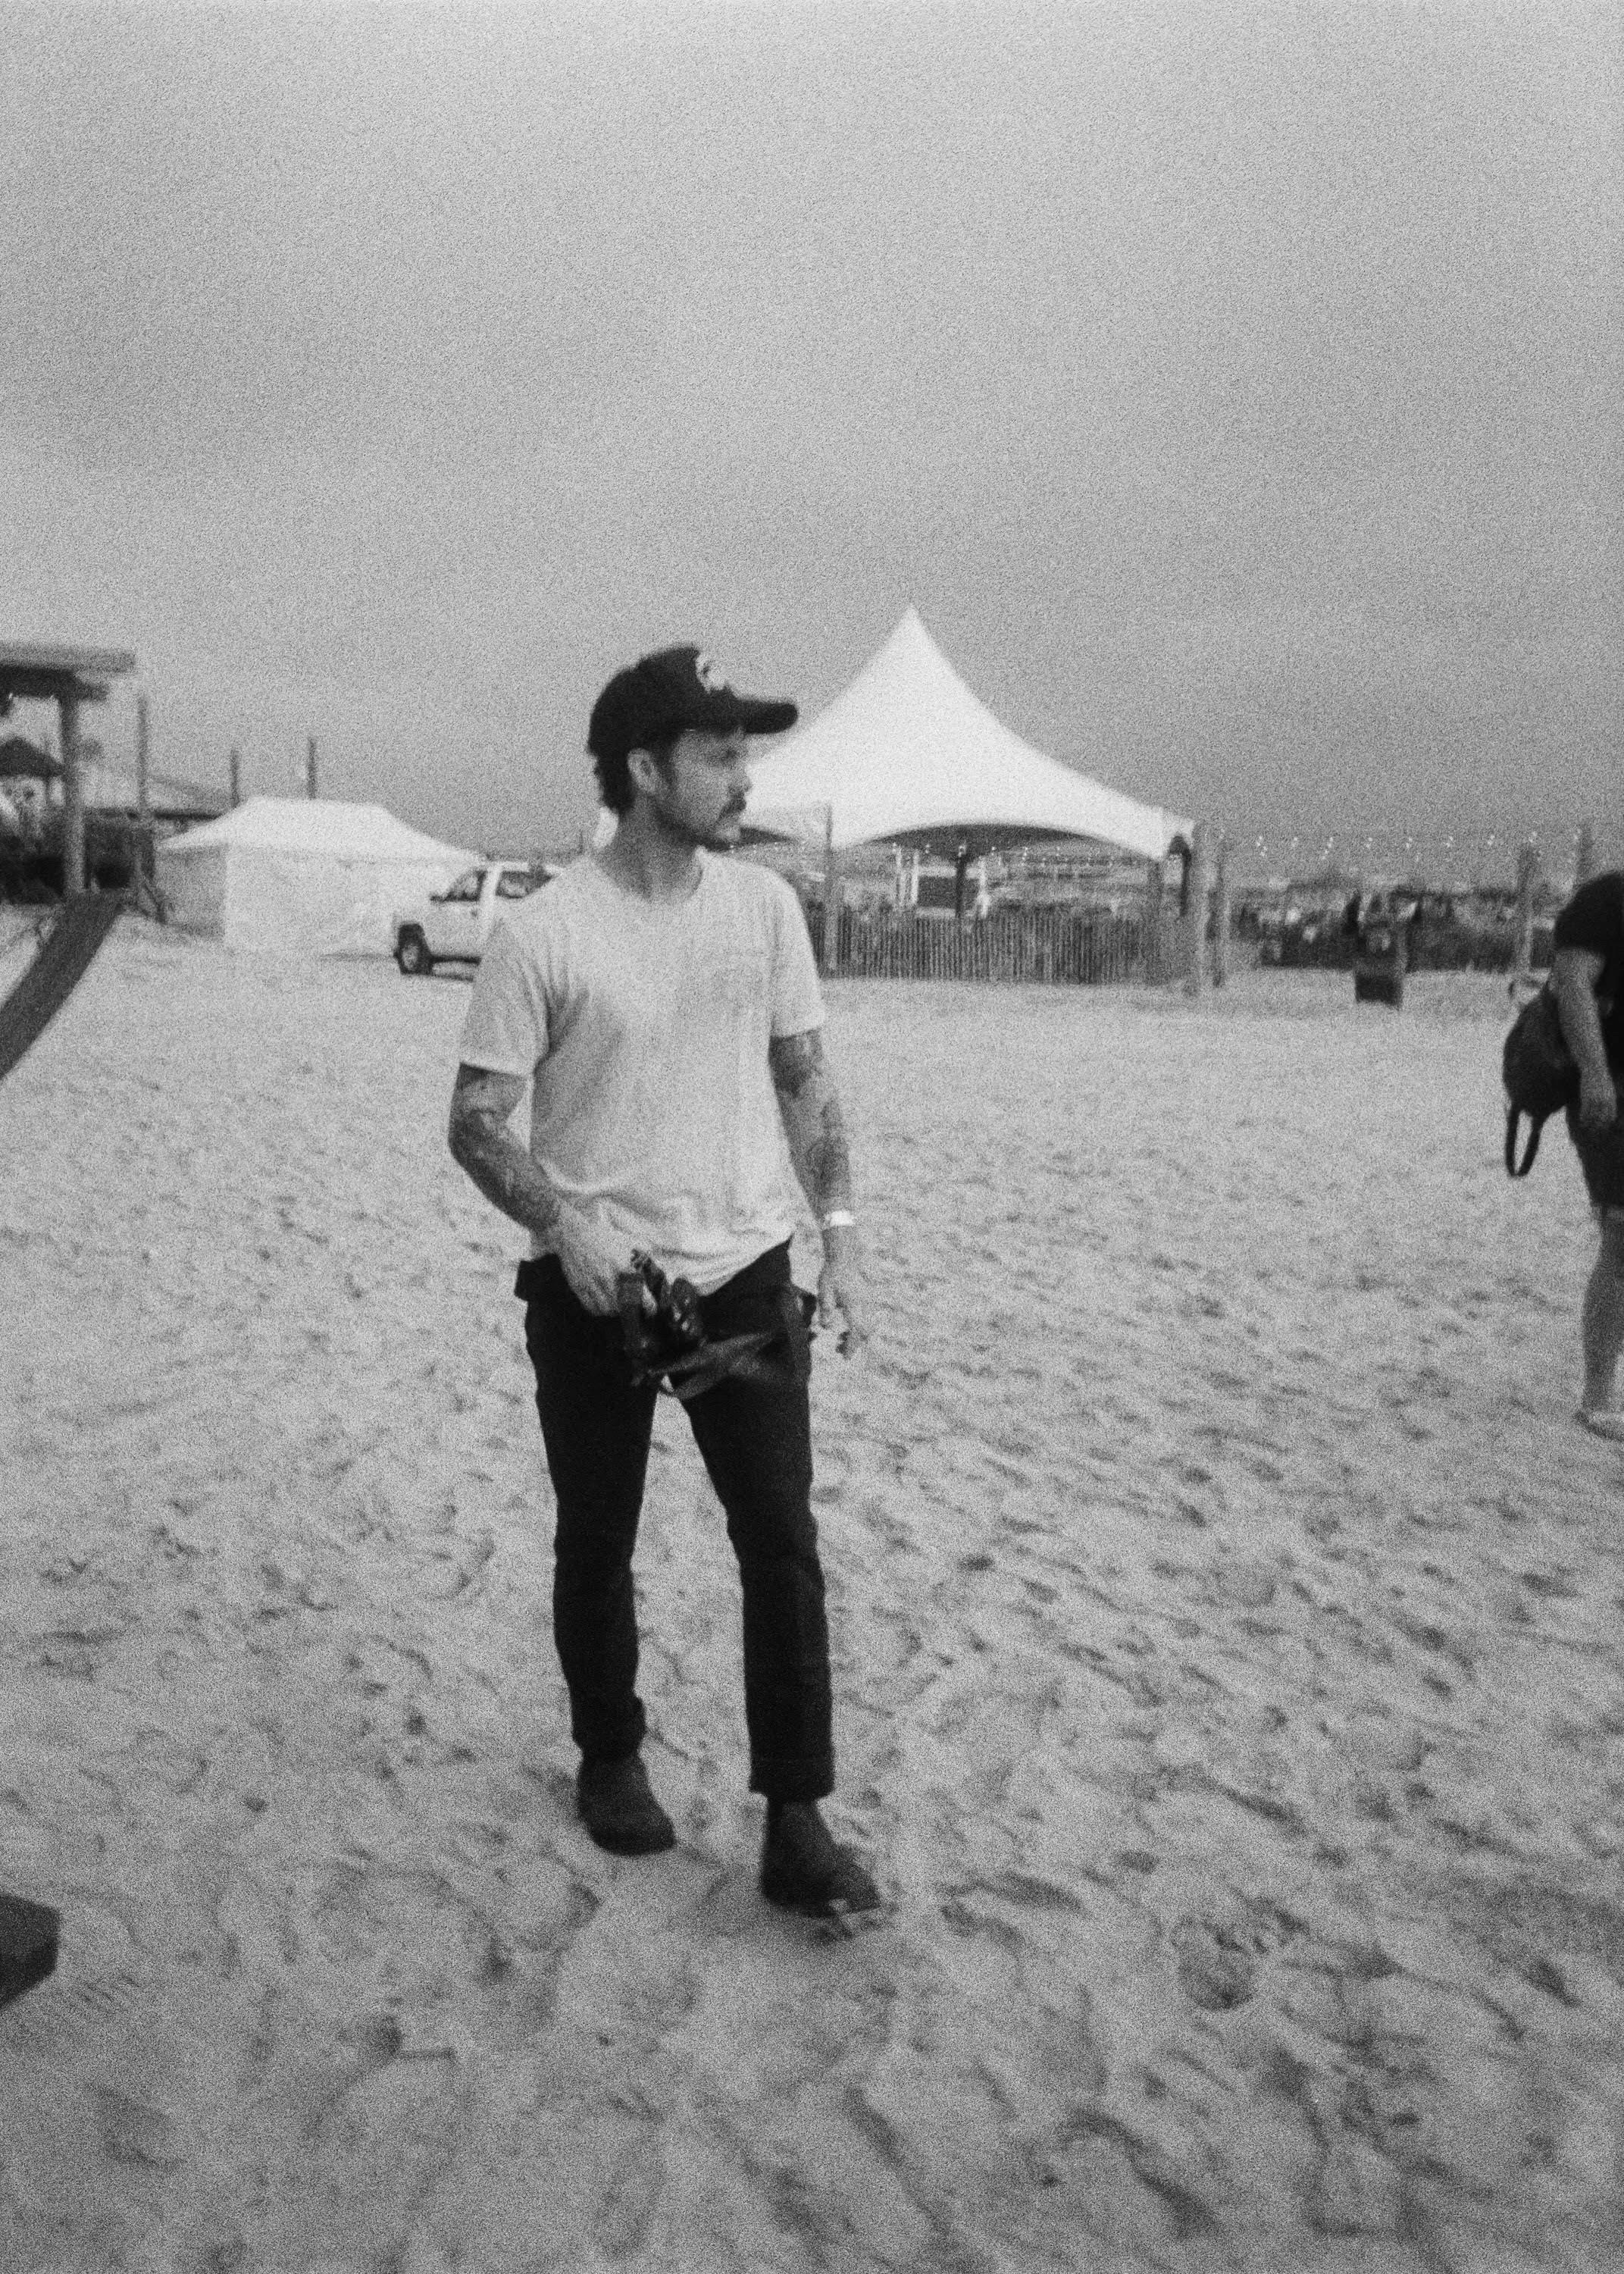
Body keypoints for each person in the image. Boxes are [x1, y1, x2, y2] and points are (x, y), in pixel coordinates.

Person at [447, 644, 880, 1916]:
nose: (743, 777)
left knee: (781, 1546)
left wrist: (838, 1227)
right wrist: (562, 1225)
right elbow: (476, 1122)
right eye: (720, 753)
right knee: (599, 1536)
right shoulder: (542, 932)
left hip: (746, 1274)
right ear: (645, 770)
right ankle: (610, 1754)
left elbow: (803, 1079)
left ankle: (797, 1822)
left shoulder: (763, 914)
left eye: (745, 752)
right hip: (596, 1290)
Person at [1551, 868, 1624, 1437]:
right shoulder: (1607, 899)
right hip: (1614, 1087)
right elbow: (1572, 982)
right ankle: (1597, 1396)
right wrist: (1595, 1074)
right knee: (1623, 1239)